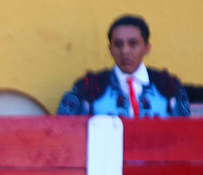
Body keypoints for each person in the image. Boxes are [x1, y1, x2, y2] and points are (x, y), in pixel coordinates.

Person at [57, 14, 190, 117]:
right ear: (110, 49)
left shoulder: (169, 87)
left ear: (147, 48)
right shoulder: (87, 88)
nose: (125, 51)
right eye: (118, 44)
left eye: (133, 43)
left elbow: (186, 138)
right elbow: (66, 136)